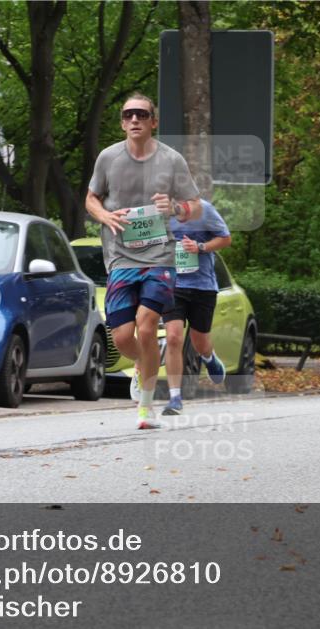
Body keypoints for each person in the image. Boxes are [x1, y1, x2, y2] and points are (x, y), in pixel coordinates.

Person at [85, 93, 202, 429]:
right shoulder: (108, 158)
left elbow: (194, 205)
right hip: (121, 257)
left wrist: (176, 208)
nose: (134, 119)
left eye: (141, 114)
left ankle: (145, 409)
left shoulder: (172, 161)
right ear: (122, 122)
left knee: (148, 324)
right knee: (122, 338)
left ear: (153, 121)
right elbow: (91, 199)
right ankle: (143, 363)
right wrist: (105, 216)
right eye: (128, 115)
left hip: (160, 256)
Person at [162, 199, 232, 416]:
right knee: (173, 337)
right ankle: (175, 397)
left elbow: (225, 239)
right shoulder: (161, 213)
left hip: (202, 286)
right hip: (173, 286)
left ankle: (209, 359)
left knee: (199, 341)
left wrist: (200, 247)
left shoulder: (204, 210)